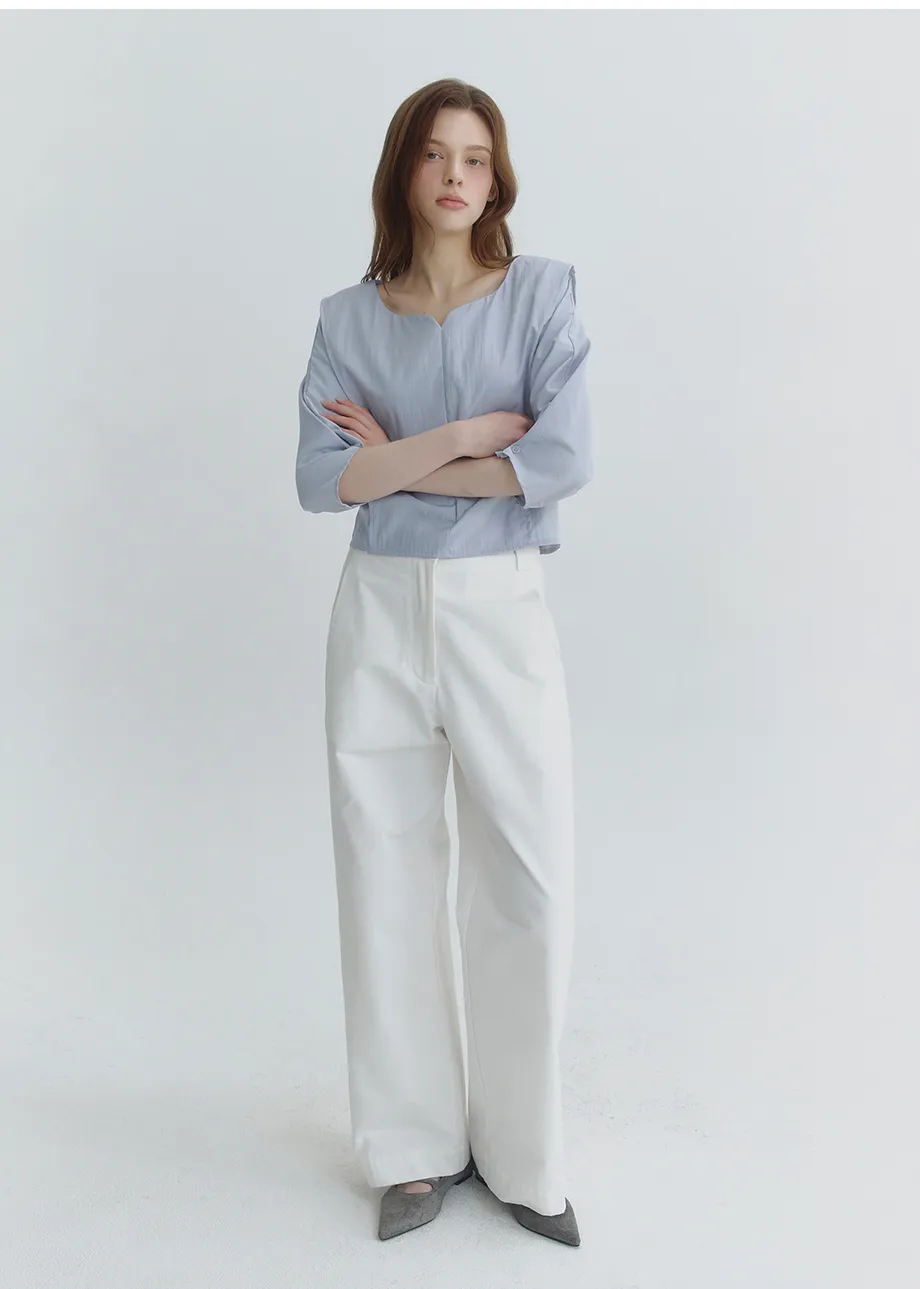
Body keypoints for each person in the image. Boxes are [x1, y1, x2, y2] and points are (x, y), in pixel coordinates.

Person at [294, 78, 592, 1247]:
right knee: (382, 867)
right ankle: (413, 1147)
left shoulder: (542, 296)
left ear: (496, 175)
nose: (455, 174)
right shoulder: (344, 318)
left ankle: (525, 1155)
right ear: (403, 173)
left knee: (527, 870)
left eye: (474, 155)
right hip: (375, 607)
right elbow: (323, 480)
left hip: (496, 607)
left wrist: (400, 457)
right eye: (433, 154)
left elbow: (557, 460)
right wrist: (467, 438)